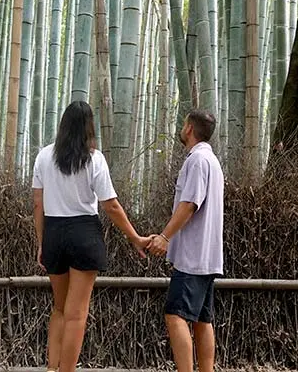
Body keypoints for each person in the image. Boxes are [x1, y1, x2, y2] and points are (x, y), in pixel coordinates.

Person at [32, 100, 148, 372]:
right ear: (89, 127)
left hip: (54, 232)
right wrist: (135, 237)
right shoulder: (94, 158)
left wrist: (41, 242)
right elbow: (111, 205)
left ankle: (52, 369)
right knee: (76, 314)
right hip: (84, 233)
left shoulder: (43, 156)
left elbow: (38, 204)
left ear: (62, 125)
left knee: (59, 309)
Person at [148, 111, 224, 372]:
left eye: (183, 124)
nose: (182, 128)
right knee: (202, 319)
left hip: (192, 257)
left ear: (189, 128)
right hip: (207, 255)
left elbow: (189, 204)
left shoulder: (198, 160)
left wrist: (164, 236)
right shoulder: (211, 160)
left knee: (175, 314)